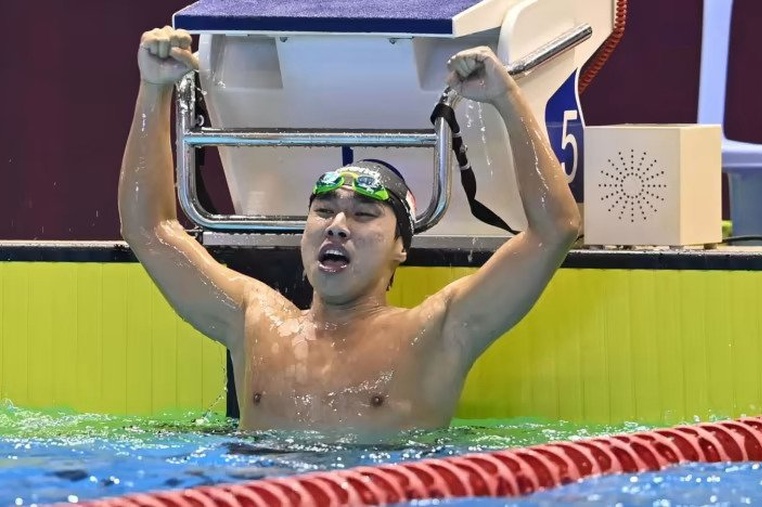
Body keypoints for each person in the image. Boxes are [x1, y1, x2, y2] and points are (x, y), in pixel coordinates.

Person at [120, 26, 581, 438]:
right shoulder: (255, 322)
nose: (337, 226)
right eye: (324, 210)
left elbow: (554, 230)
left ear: (401, 247)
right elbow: (150, 229)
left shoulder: (437, 332)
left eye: (363, 215)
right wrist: (152, 89)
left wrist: (507, 98)